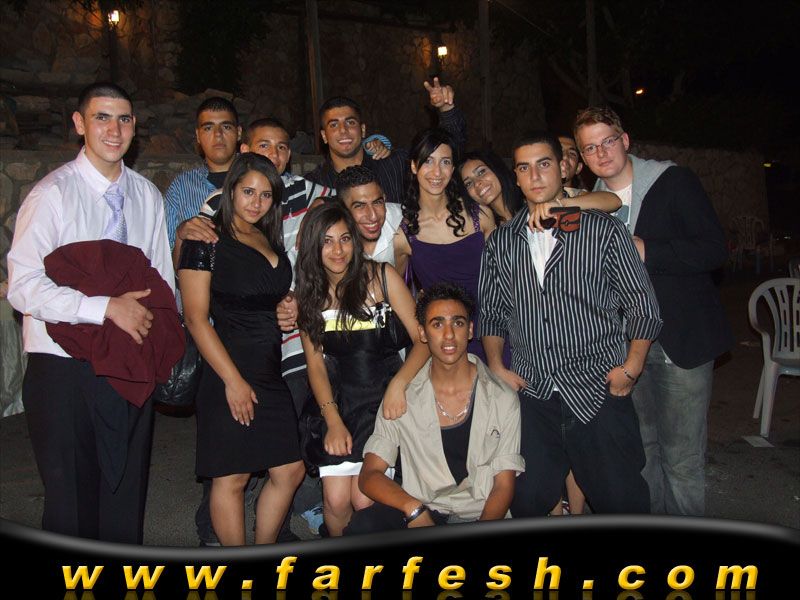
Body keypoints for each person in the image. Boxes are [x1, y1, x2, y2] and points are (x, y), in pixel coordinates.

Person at [7, 82, 174, 543]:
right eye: (102, 117)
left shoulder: (147, 196)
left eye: (124, 119)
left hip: (129, 365)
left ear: (135, 127)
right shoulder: (52, 194)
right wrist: (105, 308)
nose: (114, 130)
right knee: (72, 507)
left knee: (125, 499)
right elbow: (23, 286)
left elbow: (162, 280)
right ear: (79, 124)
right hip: (64, 368)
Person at [479, 131, 663, 516]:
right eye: (524, 168)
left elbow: (642, 305)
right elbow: (492, 312)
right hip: (535, 394)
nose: (535, 176)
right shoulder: (501, 243)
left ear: (563, 168)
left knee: (621, 501)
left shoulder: (602, 230)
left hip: (597, 389)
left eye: (544, 164)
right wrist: (496, 364)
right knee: (528, 501)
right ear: (516, 178)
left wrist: (631, 368)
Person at [574, 107, 733, 516]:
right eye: (590, 148)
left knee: (681, 459)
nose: (601, 153)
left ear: (625, 140)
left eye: (608, 141)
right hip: (626, 348)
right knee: (641, 453)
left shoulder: (672, 181)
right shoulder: (587, 206)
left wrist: (647, 250)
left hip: (681, 339)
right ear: (582, 157)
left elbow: (714, 249)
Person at [178, 152, 305, 545]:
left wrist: (287, 304)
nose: (256, 202)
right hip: (227, 367)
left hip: (268, 368)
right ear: (230, 189)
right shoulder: (205, 238)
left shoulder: (266, 235)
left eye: (266, 195)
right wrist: (232, 381)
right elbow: (195, 317)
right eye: (248, 191)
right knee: (232, 476)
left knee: (290, 469)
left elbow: (265, 292)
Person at [295, 203, 429, 536]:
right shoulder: (309, 294)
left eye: (344, 239)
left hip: (384, 396)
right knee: (336, 500)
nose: (338, 250)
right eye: (327, 241)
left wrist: (399, 384)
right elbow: (316, 366)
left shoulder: (382, 276)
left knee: (364, 498)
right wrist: (332, 420)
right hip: (338, 400)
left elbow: (423, 340)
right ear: (313, 246)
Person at [346, 283, 524, 534]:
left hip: (481, 513)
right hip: (424, 510)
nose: (449, 335)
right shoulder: (402, 397)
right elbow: (369, 475)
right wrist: (412, 508)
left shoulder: (502, 398)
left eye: (458, 323)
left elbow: (503, 486)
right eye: (437, 324)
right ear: (422, 333)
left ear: (470, 330)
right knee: (363, 526)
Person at [304, 78, 466, 204]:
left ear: (363, 130)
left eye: (350, 122)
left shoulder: (395, 164)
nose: (343, 130)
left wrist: (446, 109)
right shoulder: (313, 185)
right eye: (333, 125)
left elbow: (446, 149)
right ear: (324, 136)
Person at [458, 148, 620, 226]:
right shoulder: (483, 228)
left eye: (481, 172)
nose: (478, 183)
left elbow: (613, 201)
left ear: (497, 169)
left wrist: (560, 205)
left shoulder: (536, 197)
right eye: (468, 183)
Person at [166, 96, 241, 260]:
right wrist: (181, 234)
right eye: (208, 128)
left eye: (226, 126)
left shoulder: (260, 180)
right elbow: (165, 260)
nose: (218, 134)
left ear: (239, 133)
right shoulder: (181, 187)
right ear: (198, 136)